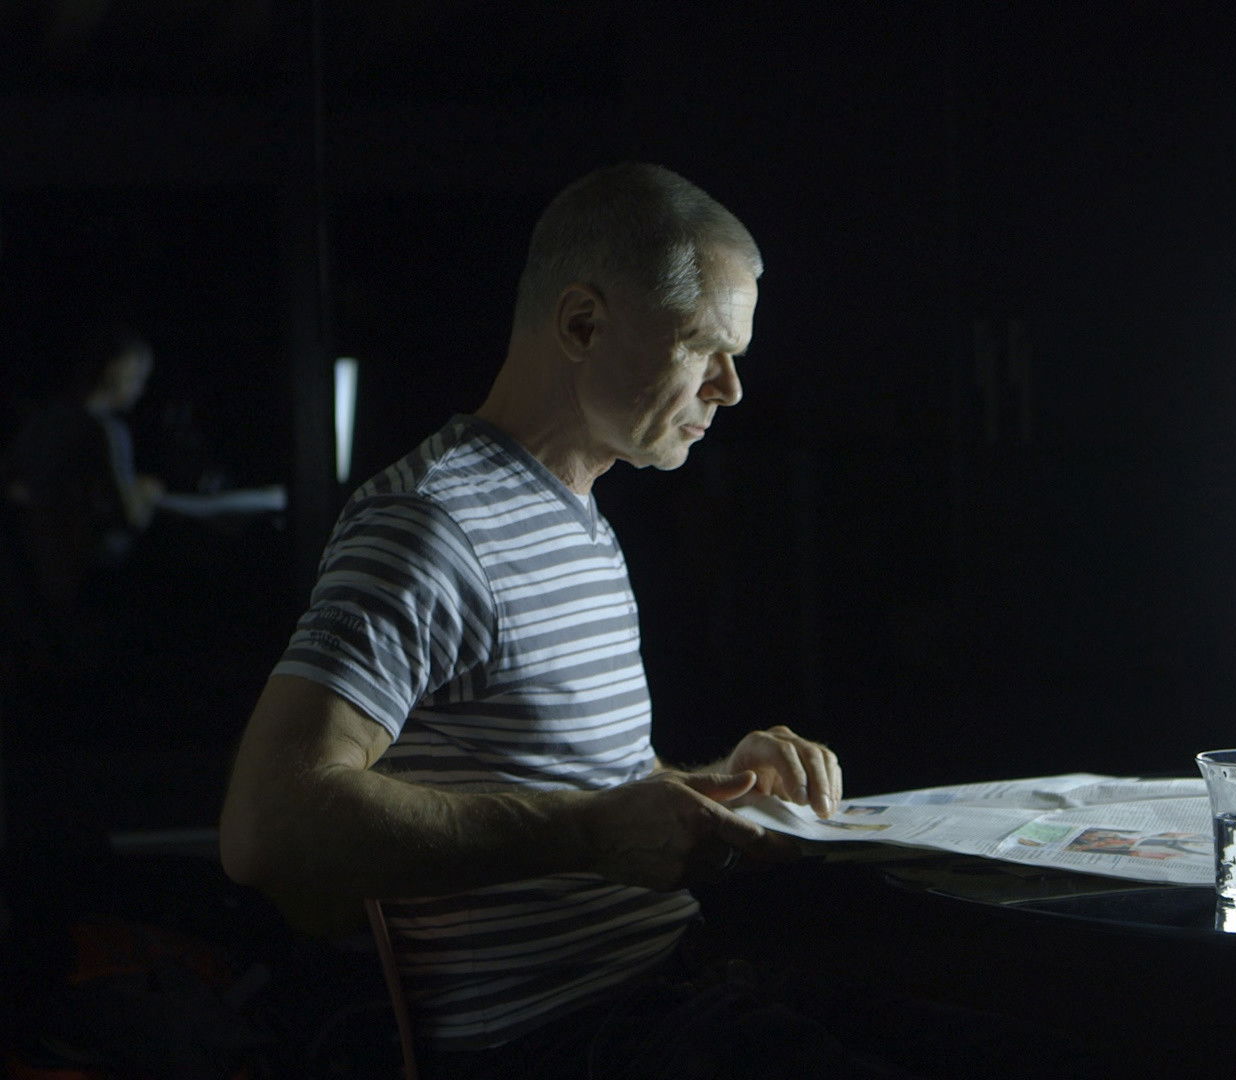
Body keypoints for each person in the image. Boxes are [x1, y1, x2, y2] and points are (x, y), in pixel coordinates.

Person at [217, 164, 850, 1072]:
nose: (730, 388)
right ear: (582, 324)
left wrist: (721, 789)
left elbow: (583, 784)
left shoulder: (576, 514)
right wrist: (589, 834)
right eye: (704, 348)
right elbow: (267, 826)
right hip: (567, 1039)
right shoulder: (430, 523)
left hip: (673, 990)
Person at [2, 328, 166, 664]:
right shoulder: (105, 431)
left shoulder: (44, 422)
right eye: (137, 377)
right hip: (88, 581)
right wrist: (146, 496)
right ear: (114, 370)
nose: (141, 388)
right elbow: (131, 517)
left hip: (39, 579)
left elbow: (13, 483)